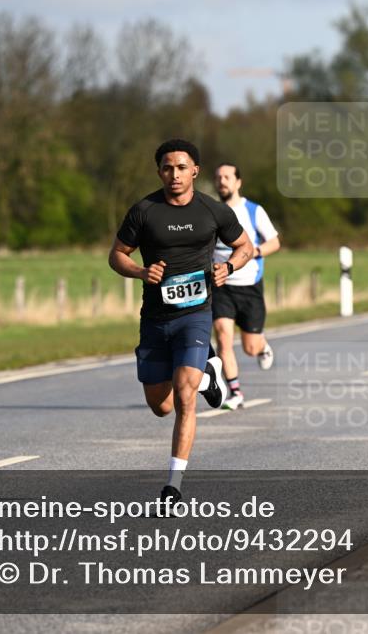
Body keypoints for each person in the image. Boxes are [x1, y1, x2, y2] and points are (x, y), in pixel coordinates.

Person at [109, 139, 253, 502]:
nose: (175, 174)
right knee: (161, 406)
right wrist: (141, 272)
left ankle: (173, 486)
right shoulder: (144, 211)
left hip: (195, 314)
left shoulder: (213, 211)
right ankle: (208, 377)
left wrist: (229, 267)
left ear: (195, 171)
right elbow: (117, 255)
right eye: (168, 168)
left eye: (182, 168)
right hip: (155, 319)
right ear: (159, 172)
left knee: (184, 394)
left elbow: (245, 246)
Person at [211, 162, 280, 410]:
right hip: (221, 286)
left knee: (250, 347)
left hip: (249, 286)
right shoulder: (210, 211)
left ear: (238, 182)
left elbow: (274, 242)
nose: (222, 181)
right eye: (218, 177)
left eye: (227, 177)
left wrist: (254, 252)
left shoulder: (253, 210)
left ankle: (262, 346)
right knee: (223, 336)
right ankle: (236, 392)